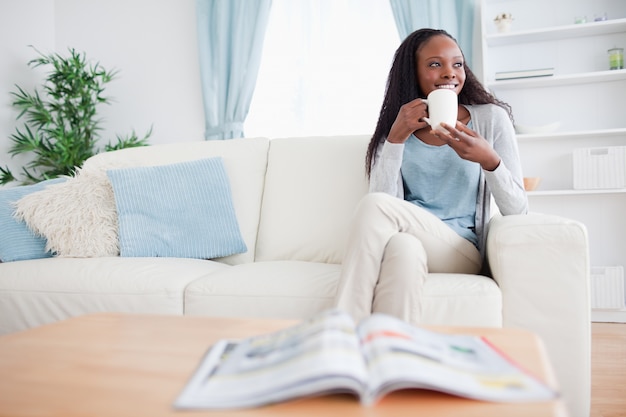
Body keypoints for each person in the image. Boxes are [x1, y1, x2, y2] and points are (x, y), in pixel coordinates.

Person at [333, 28, 528, 325]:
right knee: (403, 249)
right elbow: (388, 204)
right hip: (410, 238)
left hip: (460, 249)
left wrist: (489, 161)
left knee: (373, 205)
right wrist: (396, 139)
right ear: (413, 72)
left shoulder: (490, 119)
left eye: (457, 64)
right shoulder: (398, 128)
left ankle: (342, 328)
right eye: (435, 64)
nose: (450, 73)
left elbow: (518, 210)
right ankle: (393, 351)